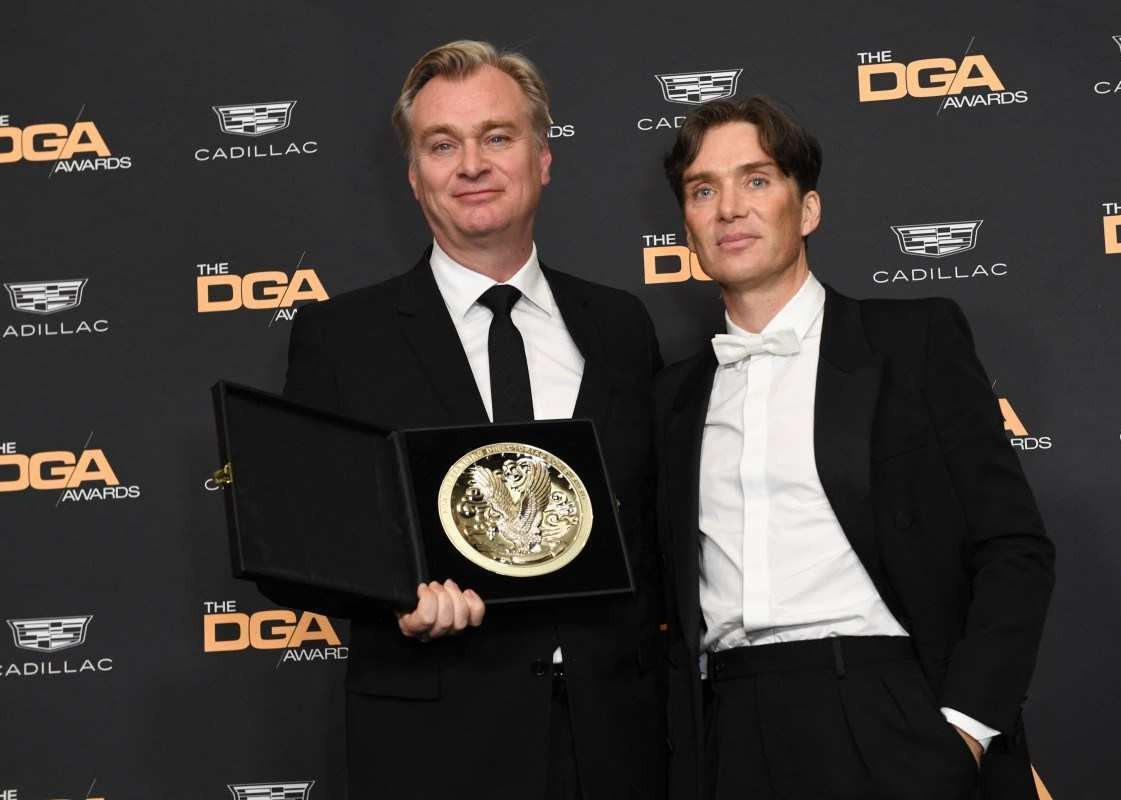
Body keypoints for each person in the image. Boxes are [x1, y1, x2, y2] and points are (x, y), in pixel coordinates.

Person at [257, 40, 666, 799]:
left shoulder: (620, 326)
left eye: (497, 137)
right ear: (414, 178)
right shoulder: (343, 337)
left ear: (543, 159)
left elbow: (653, 525)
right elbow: (299, 538)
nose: (471, 164)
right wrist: (395, 600)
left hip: (618, 741)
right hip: (432, 744)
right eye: (442, 145)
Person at [653, 96, 1055, 800]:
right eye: (703, 190)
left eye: (757, 180)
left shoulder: (912, 342)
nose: (729, 209)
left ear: (807, 209)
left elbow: (1013, 546)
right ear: (688, 224)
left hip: (886, 711)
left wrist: (963, 727)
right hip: (731, 730)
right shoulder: (671, 399)